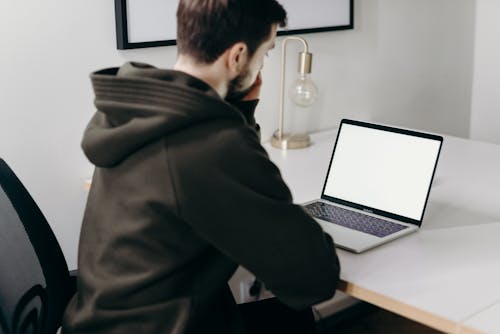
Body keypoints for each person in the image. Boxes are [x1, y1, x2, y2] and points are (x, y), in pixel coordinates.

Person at [62, 0, 340, 333]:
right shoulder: (212, 145)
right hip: (168, 325)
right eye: (264, 53)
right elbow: (313, 279)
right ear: (237, 56)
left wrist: (241, 112)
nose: (262, 65)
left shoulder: (136, 110)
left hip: (103, 318)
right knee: (296, 316)